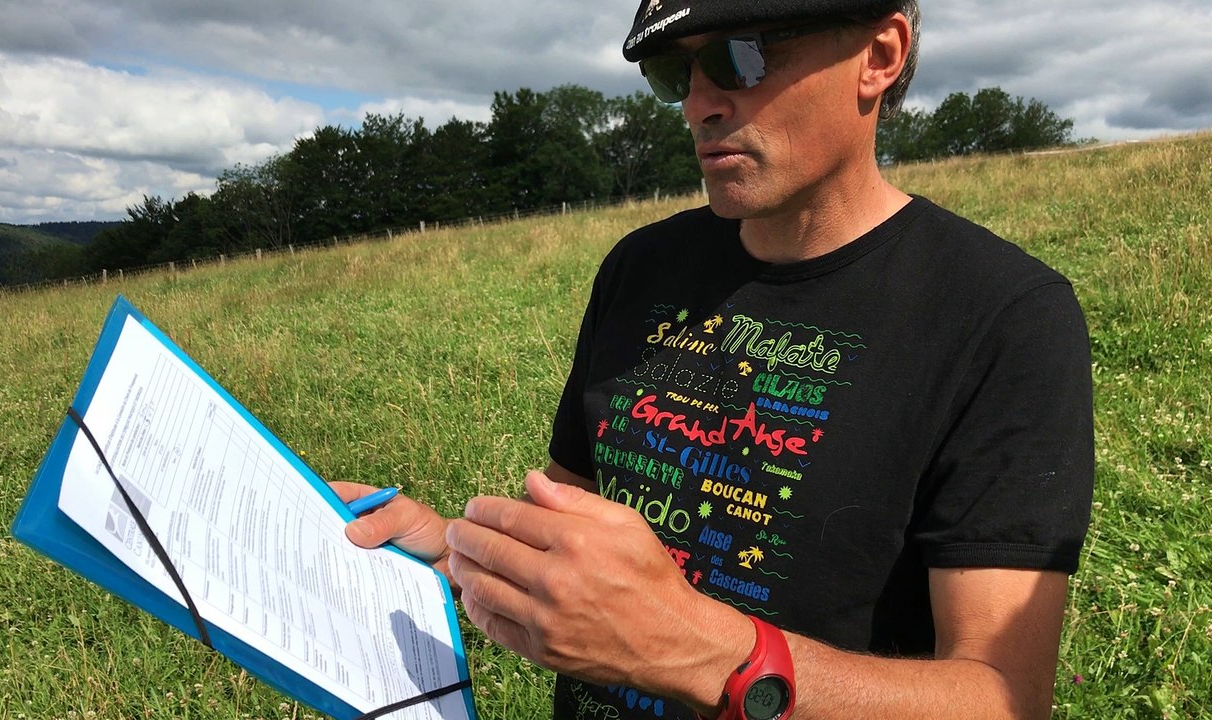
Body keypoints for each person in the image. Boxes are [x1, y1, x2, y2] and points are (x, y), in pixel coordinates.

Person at [332, 1, 1095, 718]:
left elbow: (1000, 696)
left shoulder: (1003, 316)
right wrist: (453, 555)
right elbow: (571, 526)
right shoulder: (642, 268)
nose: (701, 104)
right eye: (676, 73)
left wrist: (708, 654)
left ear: (879, 55)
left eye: (743, 57)